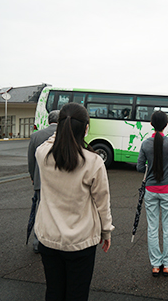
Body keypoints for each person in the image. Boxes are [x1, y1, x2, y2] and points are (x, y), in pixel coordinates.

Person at [34, 102, 113, 301]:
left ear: (60, 126)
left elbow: (49, 142)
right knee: (77, 294)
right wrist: (106, 231)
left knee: (53, 291)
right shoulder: (93, 162)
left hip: (49, 237)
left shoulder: (43, 154)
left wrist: (62, 127)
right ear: (86, 128)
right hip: (81, 241)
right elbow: (102, 202)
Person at [137, 108, 168, 277]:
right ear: (165, 125)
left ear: (151, 124)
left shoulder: (145, 144)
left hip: (150, 191)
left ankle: (156, 265)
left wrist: (150, 168)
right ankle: (167, 264)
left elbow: (140, 167)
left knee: (152, 228)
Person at [27, 110, 60, 253]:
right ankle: (55, 241)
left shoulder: (36, 135)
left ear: (48, 120)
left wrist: (34, 177)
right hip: (60, 182)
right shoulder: (65, 135)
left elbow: (31, 160)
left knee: (41, 211)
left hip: (40, 180)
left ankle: (37, 242)